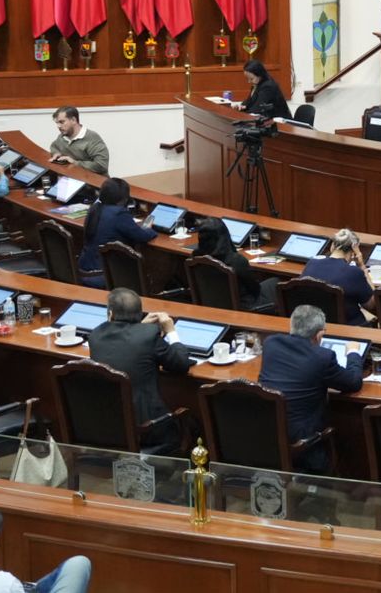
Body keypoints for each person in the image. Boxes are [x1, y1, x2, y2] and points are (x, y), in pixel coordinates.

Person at [257, 305, 364, 475]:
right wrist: (353, 354)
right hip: (301, 440)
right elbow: (353, 382)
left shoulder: (271, 344)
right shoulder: (322, 357)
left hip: (266, 430)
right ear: (320, 335)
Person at [87, 288, 192, 452]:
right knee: (193, 422)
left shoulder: (95, 335)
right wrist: (171, 331)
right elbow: (181, 364)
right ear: (139, 313)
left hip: (106, 423)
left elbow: (125, 342)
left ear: (110, 314)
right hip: (146, 428)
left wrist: (139, 327)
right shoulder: (149, 336)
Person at [258, 229, 375, 326]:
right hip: (346, 328)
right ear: (354, 250)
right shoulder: (354, 272)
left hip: (312, 325)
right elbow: (372, 305)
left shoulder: (311, 263)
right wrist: (361, 265)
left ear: (332, 246)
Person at [77, 178, 156, 281]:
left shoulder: (94, 208)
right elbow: (142, 236)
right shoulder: (119, 214)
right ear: (124, 198)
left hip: (83, 269)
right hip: (104, 274)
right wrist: (149, 228)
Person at [193, 217, 264, 310]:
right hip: (242, 306)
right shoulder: (236, 260)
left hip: (208, 303)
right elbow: (254, 289)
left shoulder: (195, 257)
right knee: (274, 282)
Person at [49, 105, 110, 175]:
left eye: (62, 122)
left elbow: (102, 165)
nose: (58, 126)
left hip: (95, 182)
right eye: (57, 123)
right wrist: (56, 153)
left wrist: (75, 163)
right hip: (75, 178)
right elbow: (54, 146)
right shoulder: (62, 136)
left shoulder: (92, 138)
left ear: (73, 120)